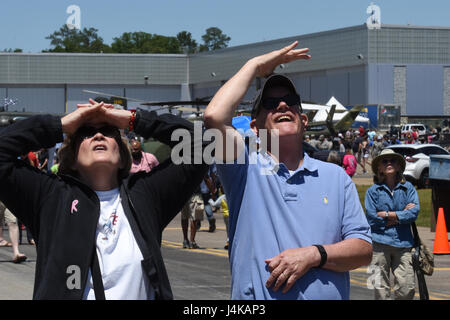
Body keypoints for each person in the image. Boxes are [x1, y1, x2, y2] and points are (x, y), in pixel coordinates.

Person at [204, 42, 372, 300]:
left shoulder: (336, 177)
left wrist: (314, 255)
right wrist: (256, 65)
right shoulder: (244, 169)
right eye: (270, 103)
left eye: (291, 101)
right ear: (255, 128)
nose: (282, 105)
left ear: (303, 120)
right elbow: (214, 116)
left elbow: (362, 250)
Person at [0, 99, 209, 299]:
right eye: (86, 132)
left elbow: (203, 144)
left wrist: (133, 120)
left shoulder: (146, 195)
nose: (98, 135)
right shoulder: (50, 197)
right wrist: (60, 124)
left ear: (122, 156)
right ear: (71, 159)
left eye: (109, 132)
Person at [364, 148, 419, 300]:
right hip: (379, 245)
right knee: (380, 289)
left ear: (399, 166)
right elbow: (371, 218)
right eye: (384, 161)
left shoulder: (408, 188)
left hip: (404, 244)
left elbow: (414, 213)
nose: (389, 163)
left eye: (393, 160)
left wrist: (389, 215)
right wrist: (401, 216)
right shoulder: (372, 192)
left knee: (407, 288)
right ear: (379, 168)